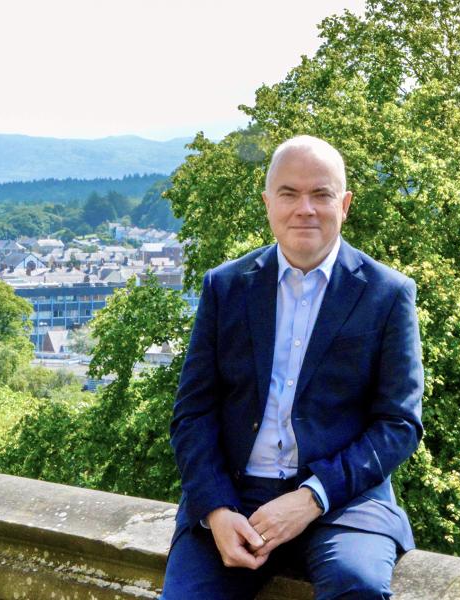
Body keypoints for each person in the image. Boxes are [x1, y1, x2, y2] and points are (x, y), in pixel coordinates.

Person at [162, 135, 424, 599]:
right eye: (289, 193)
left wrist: (310, 498)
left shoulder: (387, 294)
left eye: (321, 194)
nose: (305, 208)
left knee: (358, 586)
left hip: (342, 501)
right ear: (268, 203)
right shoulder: (225, 287)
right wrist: (216, 510)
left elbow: (398, 423)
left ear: (344, 204)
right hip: (233, 494)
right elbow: (193, 413)